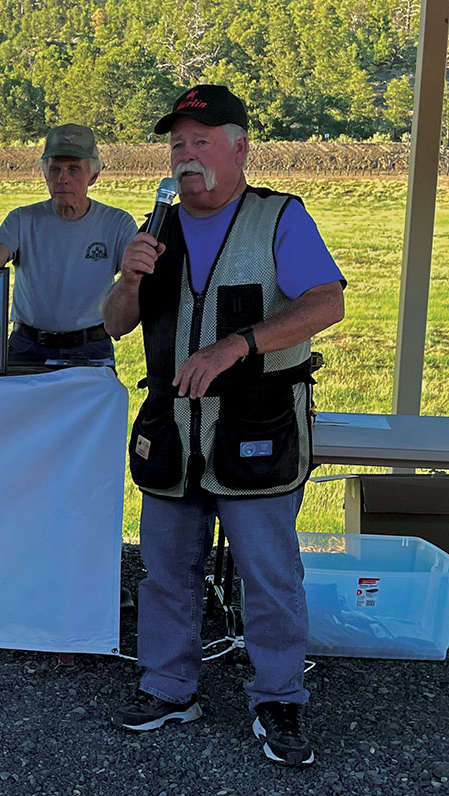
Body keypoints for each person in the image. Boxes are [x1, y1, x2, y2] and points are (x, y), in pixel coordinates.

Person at [103, 85, 345, 767]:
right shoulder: (155, 231)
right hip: (174, 433)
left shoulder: (280, 219)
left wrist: (236, 344)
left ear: (241, 148)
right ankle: (169, 686)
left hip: (256, 428)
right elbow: (117, 323)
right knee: (165, 571)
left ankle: (279, 699)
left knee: (268, 573)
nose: (186, 155)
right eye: (177, 144)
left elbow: (325, 305)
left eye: (201, 141)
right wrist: (127, 280)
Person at [0, 123, 138, 366]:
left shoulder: (117, 223)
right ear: (44, 174)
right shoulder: (22, 219)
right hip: (27, 347)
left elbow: (134, 279)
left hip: (90, 349)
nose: (63, 179)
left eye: (73, 169)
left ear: (93, 175)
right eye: (55, 169)